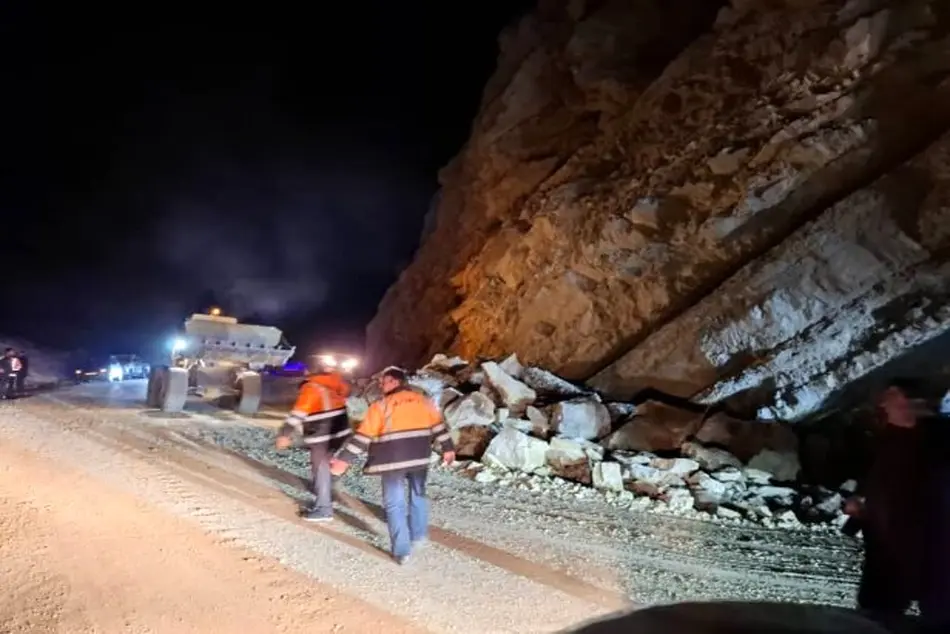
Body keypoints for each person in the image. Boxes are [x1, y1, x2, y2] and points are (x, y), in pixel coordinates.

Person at [845, 379, 950, 631]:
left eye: (891, 397)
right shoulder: (888, 441)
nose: (883, 403)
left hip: (927, 546)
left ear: (911, 403)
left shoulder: (935, 444)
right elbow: (881, 488)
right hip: (887, 545)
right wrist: (861, 513)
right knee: (878, 614)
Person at [330, 366, 455, 564]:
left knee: (394, 504)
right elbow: (439, 426)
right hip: (419, 459)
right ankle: (418, 534)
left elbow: (363, 437)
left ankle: (402, 551)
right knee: (418, 495)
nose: (380, 385)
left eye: (384, 382)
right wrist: (448, 448)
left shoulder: (381, 406)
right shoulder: (425, 402)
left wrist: (344, 460)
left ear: (396, 382)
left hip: (392, 461)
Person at [275, 356, 353, 522]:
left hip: (322, 433)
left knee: (320, 468)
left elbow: (299, 413)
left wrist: (284, 433)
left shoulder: (311, 387)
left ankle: (324, 508)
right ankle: (326, 489)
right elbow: (347, 392)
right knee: (327, 465)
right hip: (340, 431)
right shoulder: (337, 383)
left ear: (308, 370)